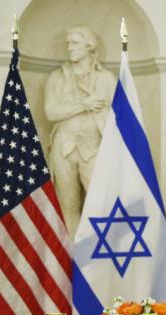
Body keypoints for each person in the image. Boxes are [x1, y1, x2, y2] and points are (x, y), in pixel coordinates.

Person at [44, 25, 117, 237]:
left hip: (95, 147)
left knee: (101, 202)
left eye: (74, 43)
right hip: (64, 147)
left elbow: (118, 118)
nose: (69, 47)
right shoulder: (57, 78)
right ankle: (72, 260)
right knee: (68, 205)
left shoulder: (107, 79)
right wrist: (83, 104)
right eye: (68, 43)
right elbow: (50, 112)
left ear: (89, 46)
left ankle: (98, 258)